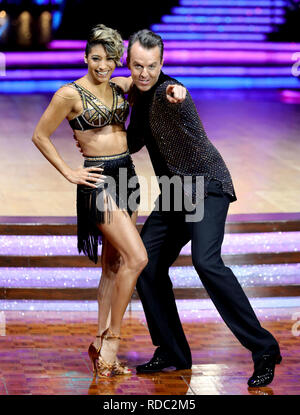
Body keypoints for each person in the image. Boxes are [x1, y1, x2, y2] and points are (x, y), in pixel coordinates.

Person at [124, 29, 282, 387]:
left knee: (205, 261)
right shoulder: (139, 97)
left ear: (162, 64)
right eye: (137, 66)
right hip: (179, 192)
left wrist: (177, 92)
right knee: (145, 262)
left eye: (152, 66)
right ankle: (172, 350)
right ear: (129, 64)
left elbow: (176, 93)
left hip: (206, 185)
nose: (145, 73)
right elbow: (133, 142)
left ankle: (264, 349)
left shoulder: (170, 92)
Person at [32, 24, 151, 378]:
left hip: (127, 176)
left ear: (117, 61)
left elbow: (150, 76)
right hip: (97, 181)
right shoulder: (69, 95)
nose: (102, 65)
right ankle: (111, 343)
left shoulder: (121, 85)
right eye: (96, 58)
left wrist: (174, 89)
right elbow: (40, 136)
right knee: (137, 256)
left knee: (114, 265)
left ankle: (99, 341)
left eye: (109, 59)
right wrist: (70, 172)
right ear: (85, 57)